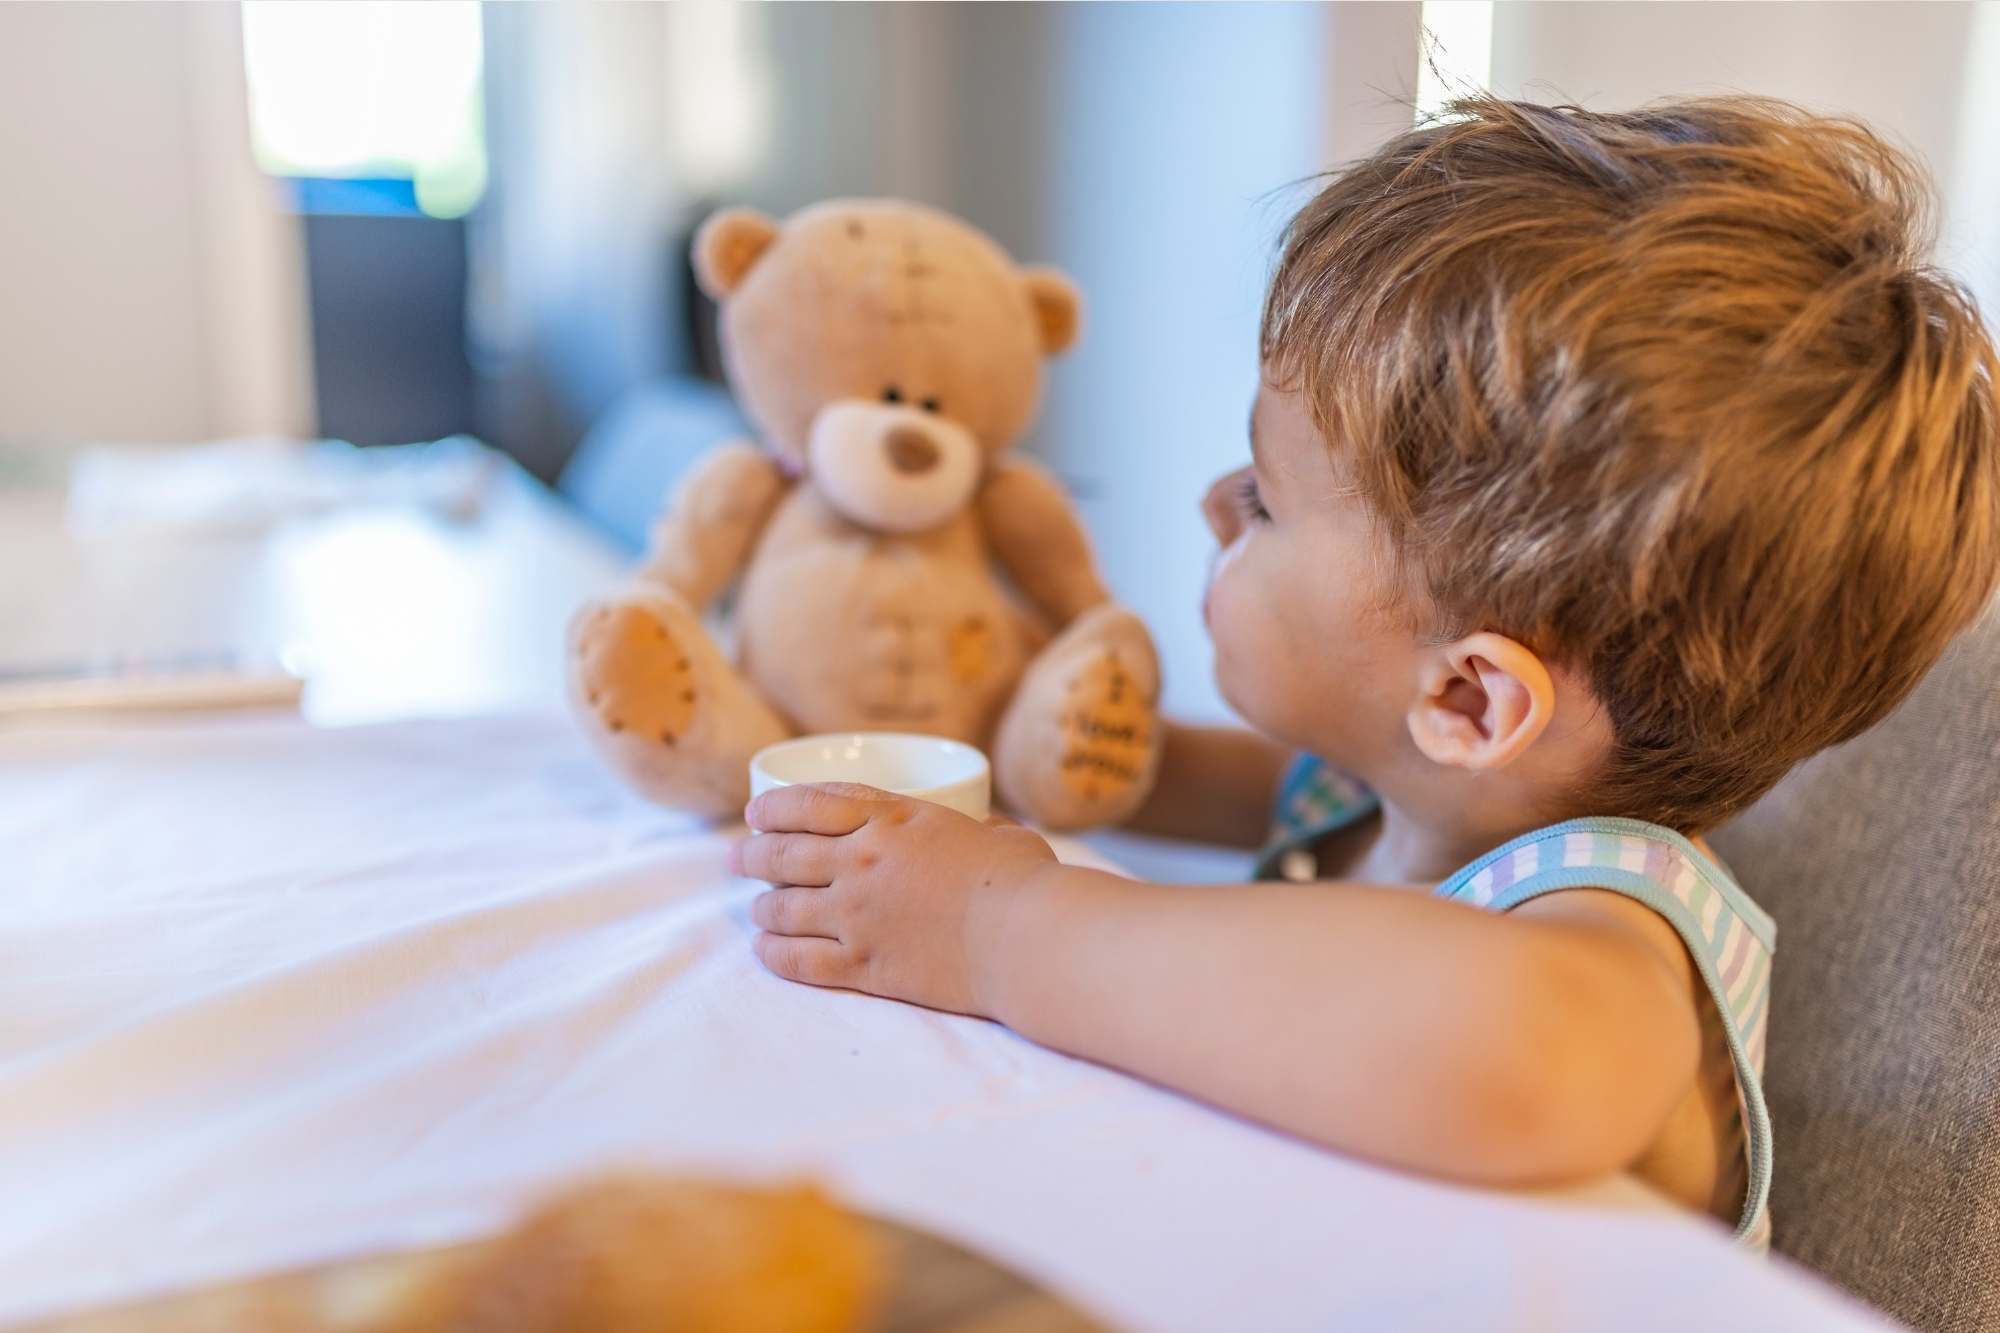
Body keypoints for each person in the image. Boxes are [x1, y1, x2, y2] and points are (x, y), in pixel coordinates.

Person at [730, 96, 2000, 1247]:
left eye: (1269, 503)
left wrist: (1000, 927)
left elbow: (1508, 1057)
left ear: (1466, 700)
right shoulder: (1361, 797)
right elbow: (1128, 769)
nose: (1215, 503)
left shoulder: (1610, 932)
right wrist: (975, 715)